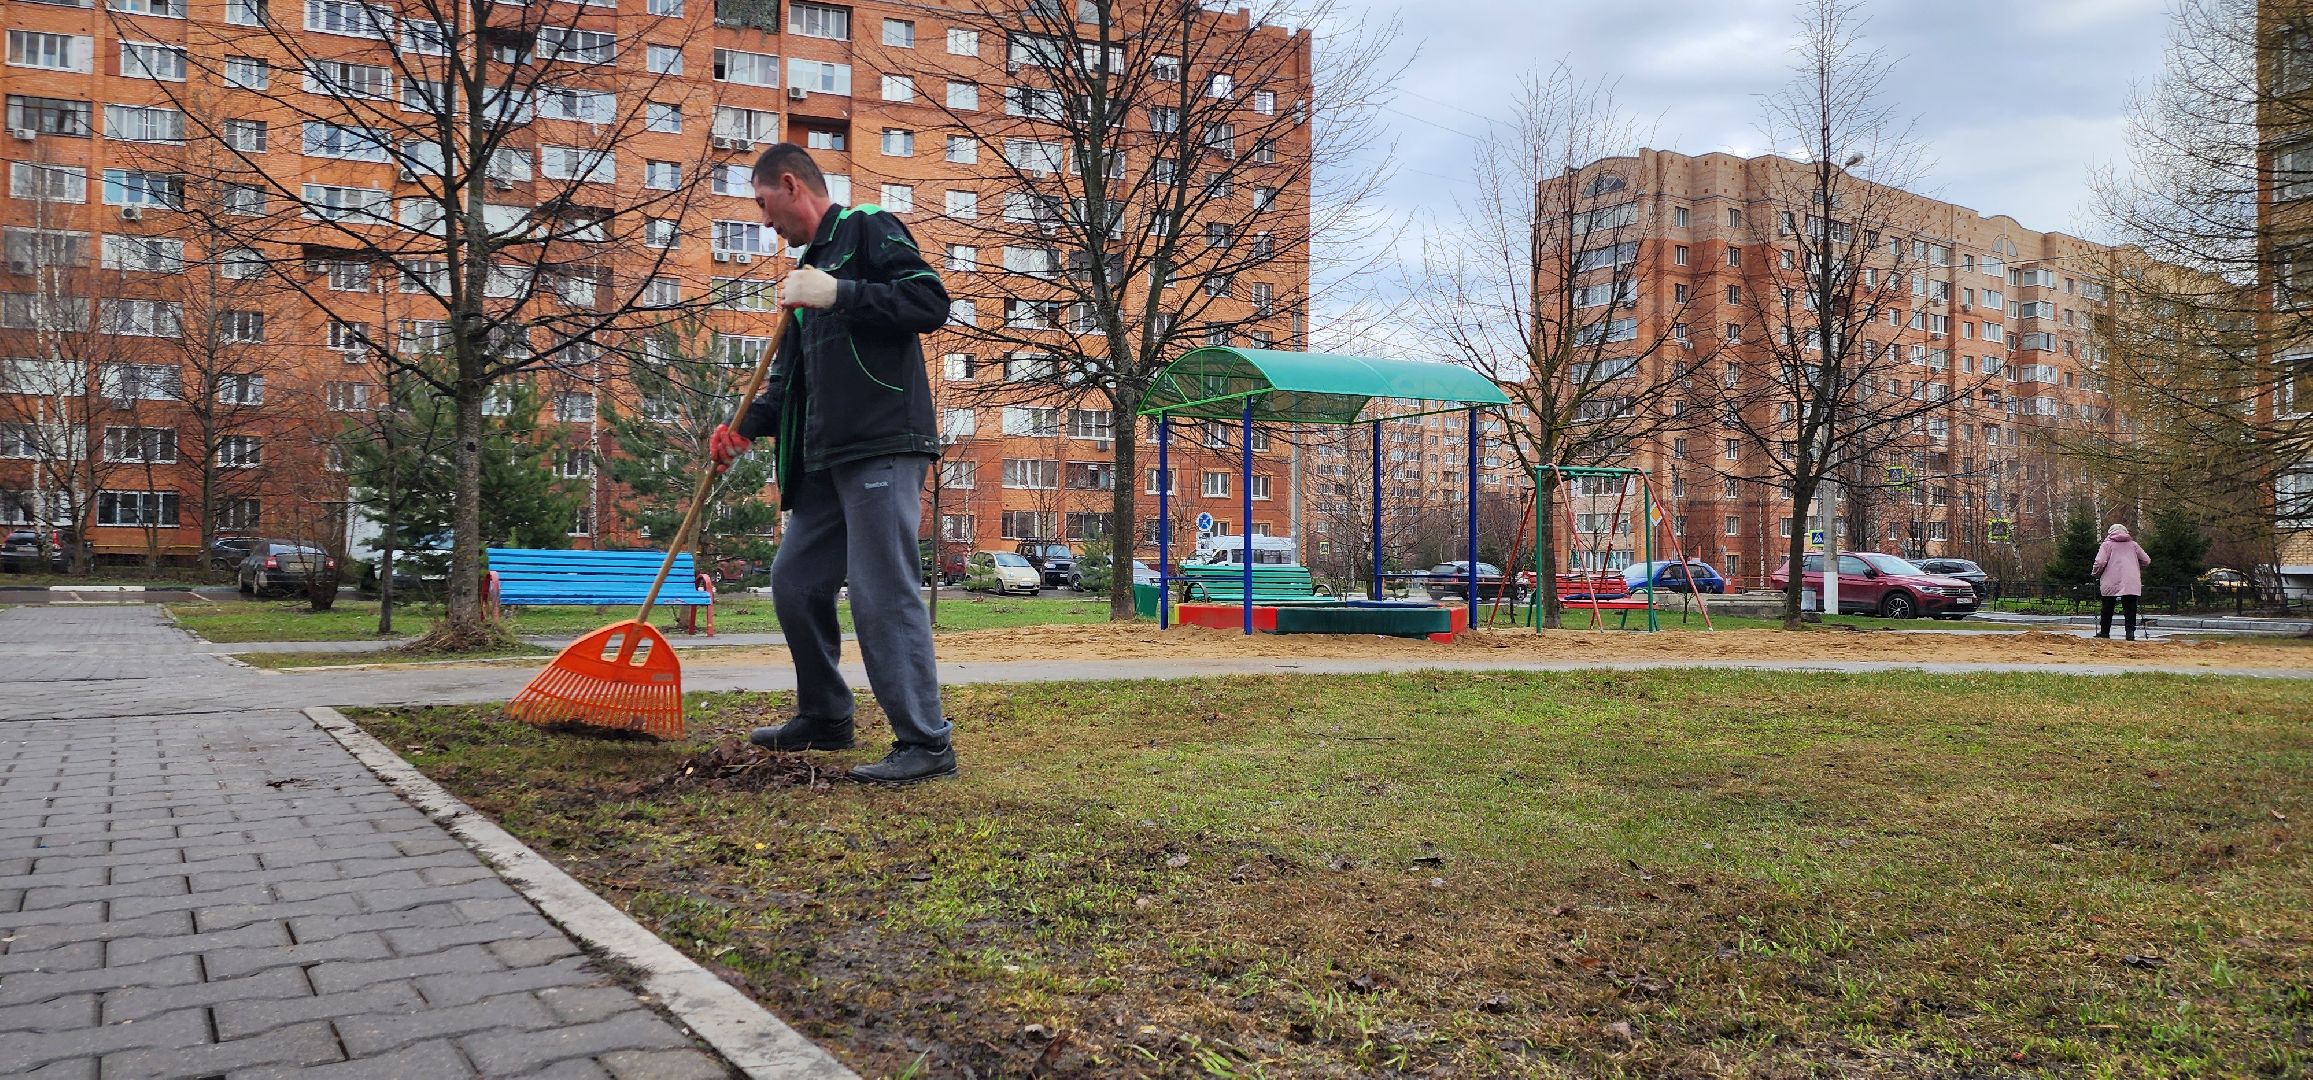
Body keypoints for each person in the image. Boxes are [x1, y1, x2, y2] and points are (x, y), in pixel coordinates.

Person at [707, 143, 956, 785]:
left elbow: (929, 302)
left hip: (881, 443)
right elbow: (788, 377)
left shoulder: (868, 228)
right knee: (794, 583)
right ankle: (825, 717)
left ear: (791, 186)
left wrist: (839, 291)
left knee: (881, 592)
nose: (764, 222)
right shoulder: (804, 273)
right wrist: (743, 430)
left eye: (764, 205)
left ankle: (925, 743)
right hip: (824, 456)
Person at [2091, 522, 2151, 641]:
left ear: (2110, 532)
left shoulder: (2106, 545)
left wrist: (2095, 573)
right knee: (2130, 608)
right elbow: (2147, 560)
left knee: (2107, 607)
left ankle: (2104, 632)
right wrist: (2134, 565)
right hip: (2131, 580)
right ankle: (2130, 633)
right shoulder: (2133, 545)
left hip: (2111, 580)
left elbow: (2100, 562)